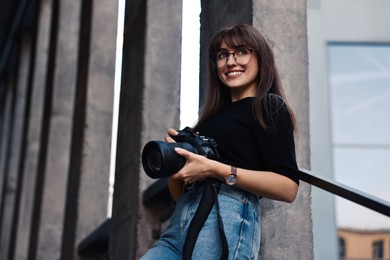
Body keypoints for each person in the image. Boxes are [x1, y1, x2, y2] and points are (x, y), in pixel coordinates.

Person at [141, 24, 299, 260]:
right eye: (222, 55)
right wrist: (177, 166)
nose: (231, 62)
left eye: (242, 51)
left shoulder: (267, 106)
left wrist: (215, 168)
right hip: (179, 223)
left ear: (261, 56)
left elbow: (288, 188)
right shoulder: (208, 120)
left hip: (226, 218)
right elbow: (179, 195)